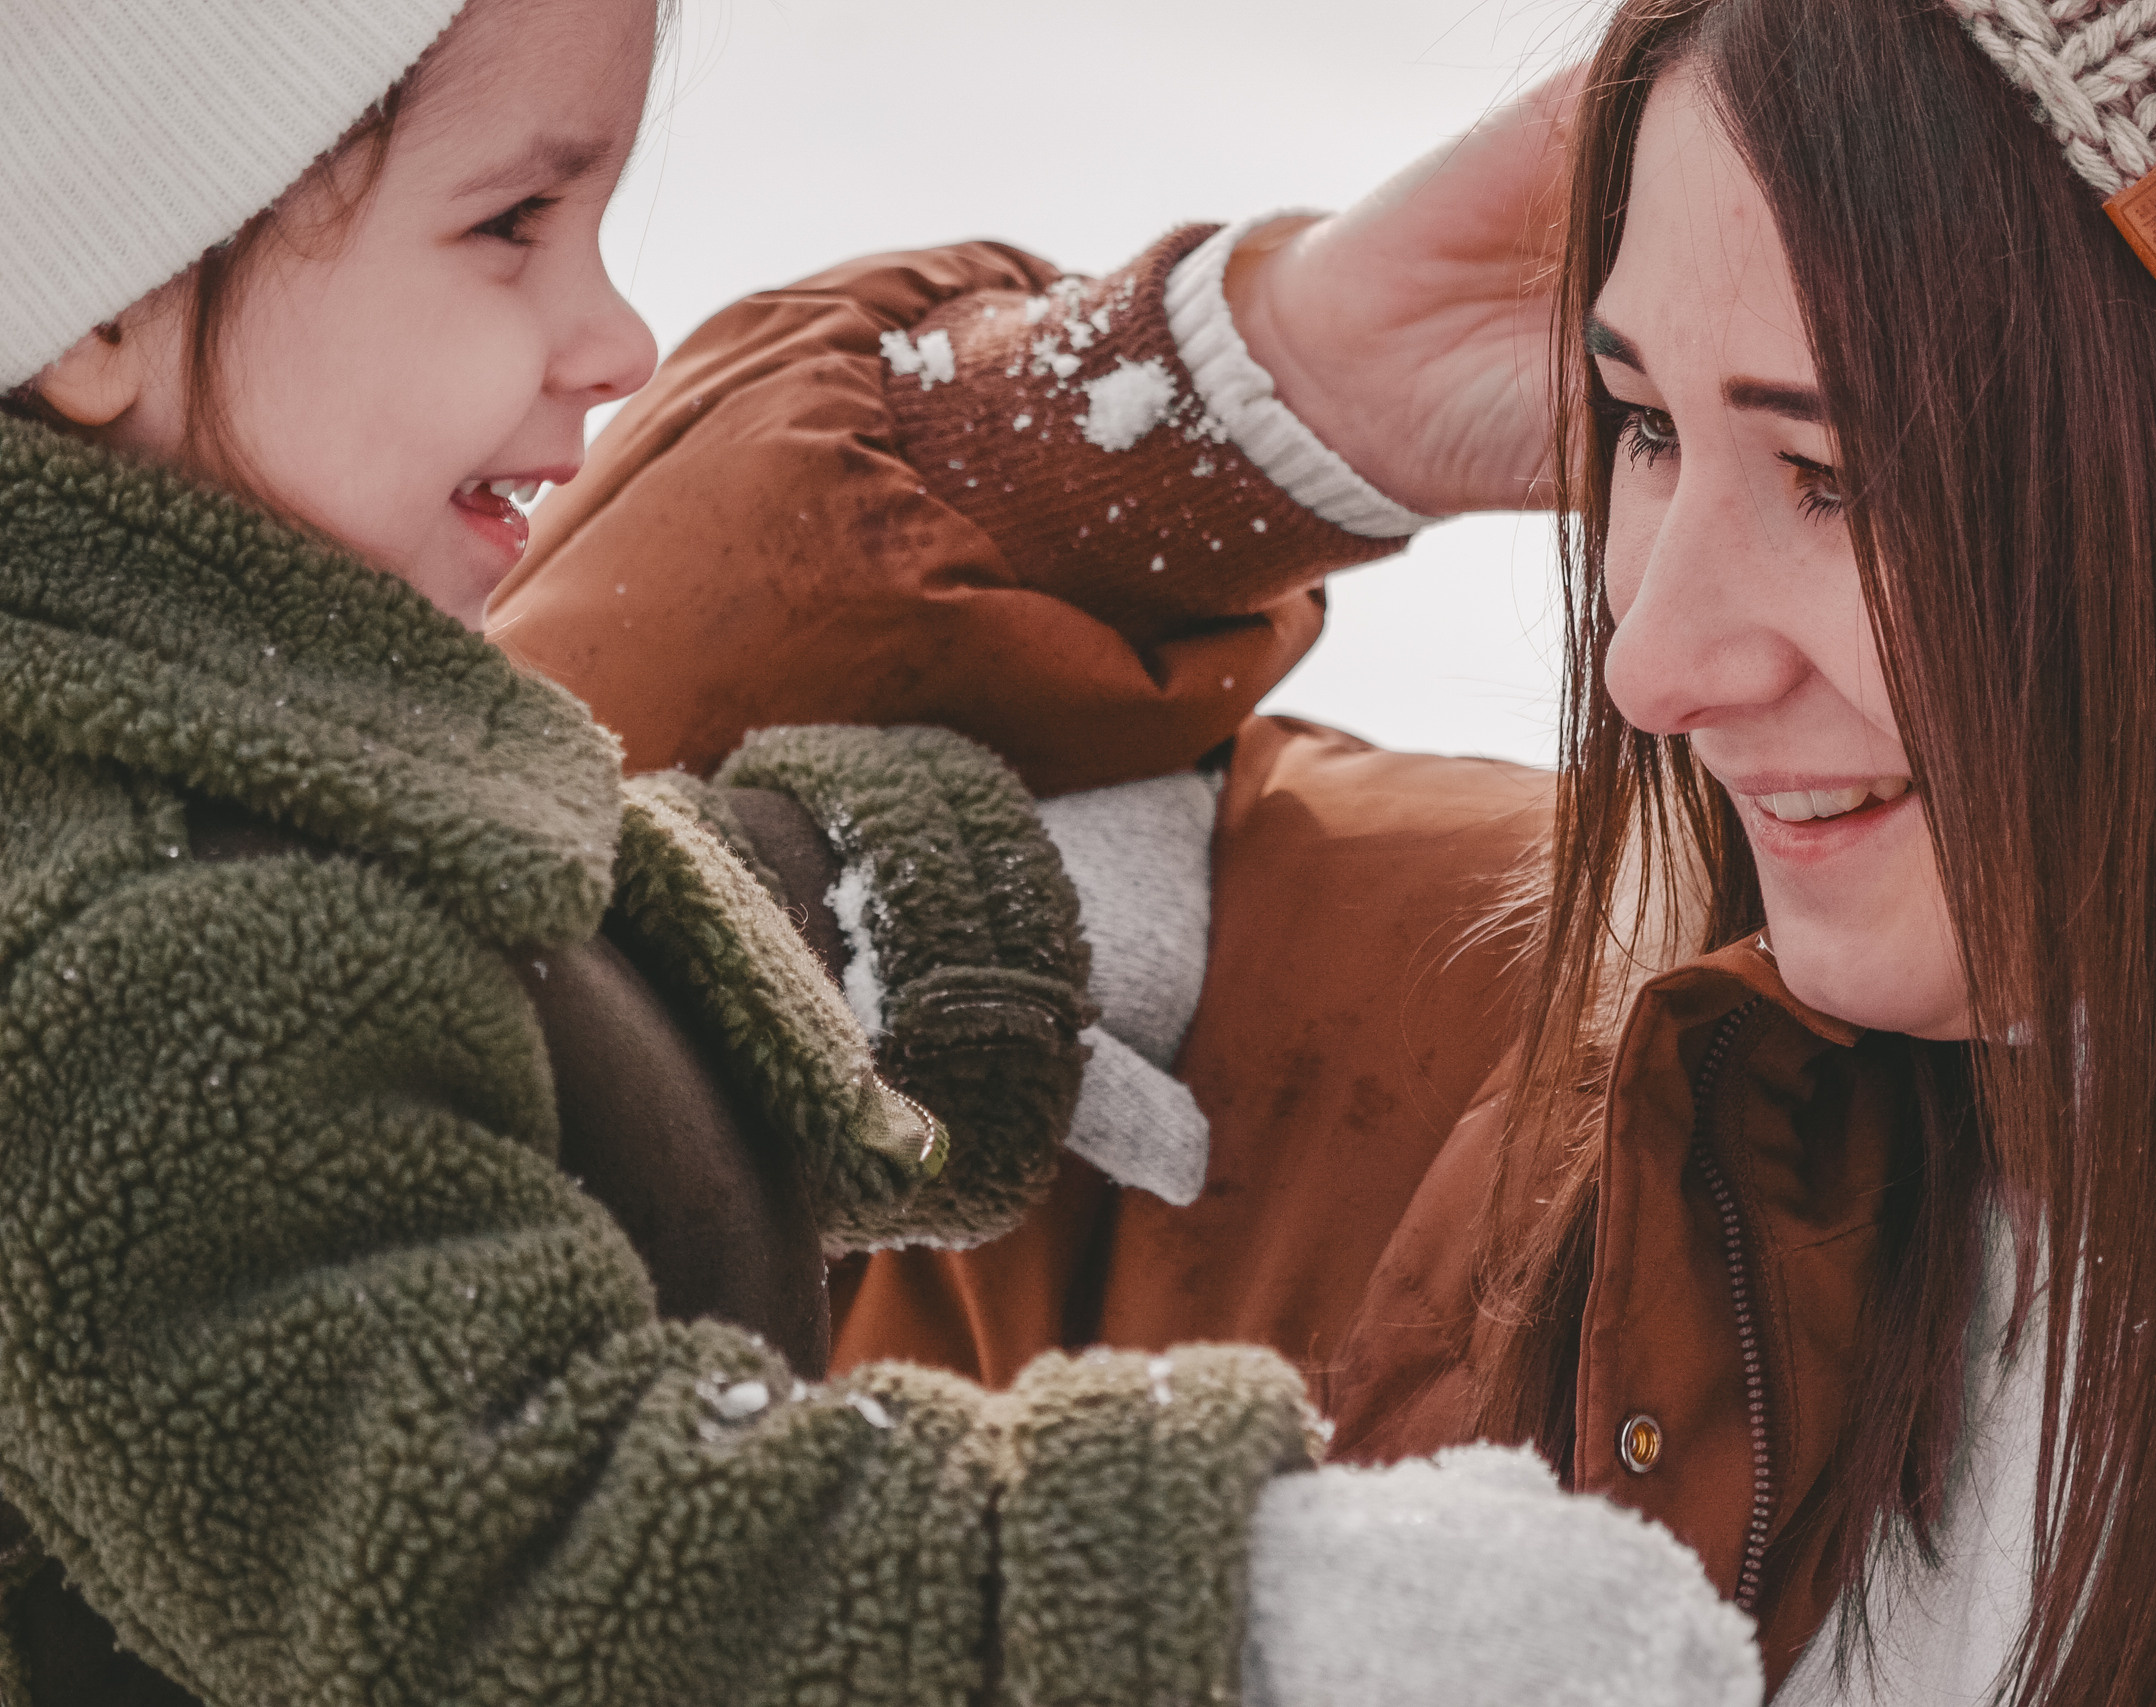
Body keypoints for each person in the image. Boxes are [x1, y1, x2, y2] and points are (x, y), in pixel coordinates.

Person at [500, 0, 2156, 1700]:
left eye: (1837, 478)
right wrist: (1253, 386)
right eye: (1641, 424)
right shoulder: (1456, 1065)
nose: (1650, 651)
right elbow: (446, 925)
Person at [0, 3, 1762, 1704]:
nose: (612, 334)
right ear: (104, 304)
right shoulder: (126, 950)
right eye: (509, 223)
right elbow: (511, 1561)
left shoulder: (220, 769)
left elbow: (487, 982)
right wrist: (1211, 1606)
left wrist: (891, 920)